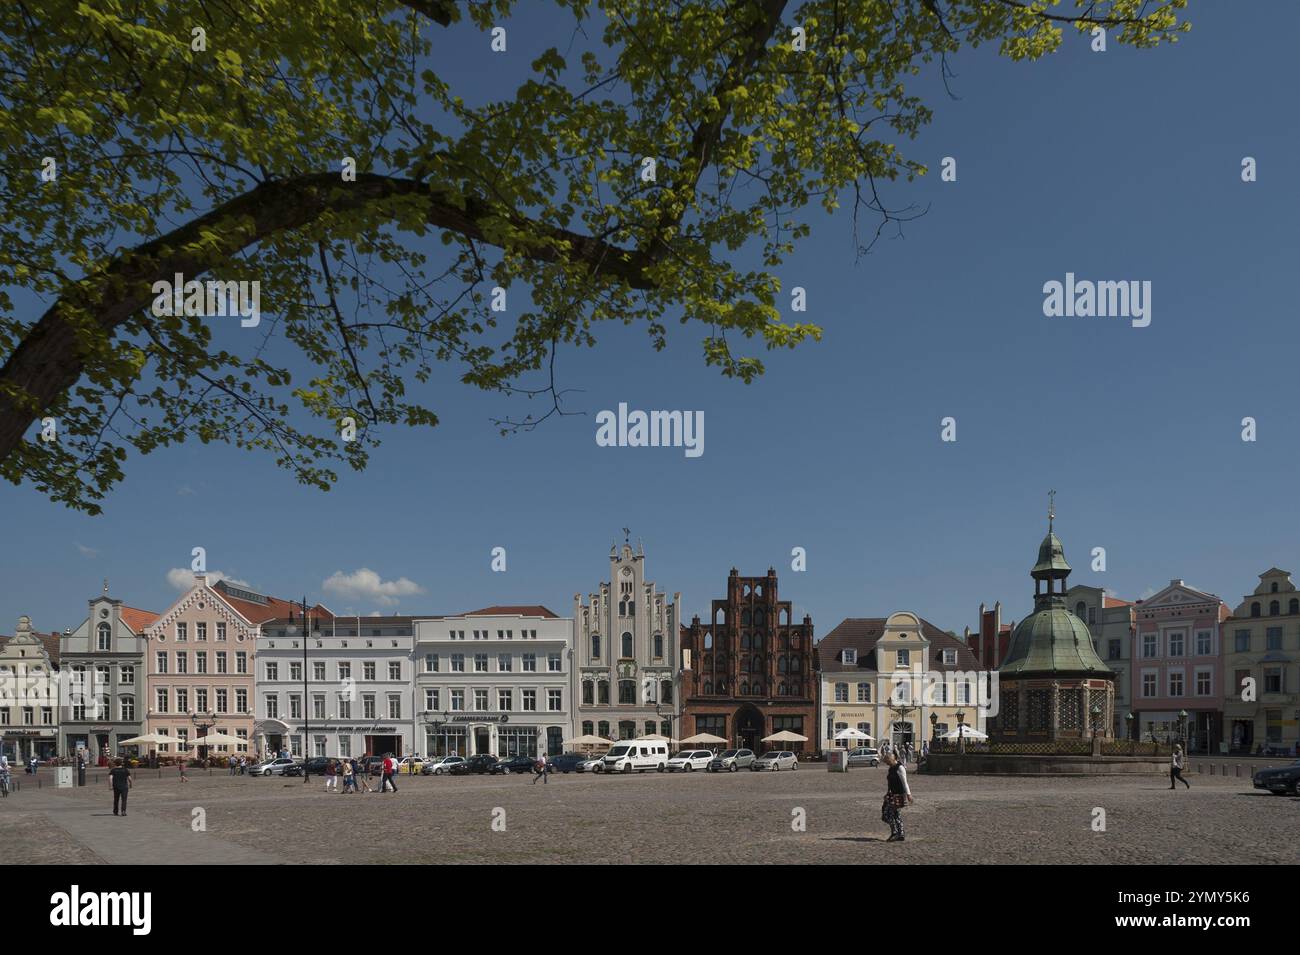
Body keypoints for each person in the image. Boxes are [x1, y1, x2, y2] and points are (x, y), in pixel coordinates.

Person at [880, 752, 913, 842]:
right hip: (891, 794)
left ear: (892, 759)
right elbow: (890, 783)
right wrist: (887, 793)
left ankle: (895, 833)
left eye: (887, 761)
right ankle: (900, 833)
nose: (886, 763)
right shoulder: (891, 768)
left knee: (888, 814)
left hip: (898, 795)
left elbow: (904, 782)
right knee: (894, 814)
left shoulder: (900, 768)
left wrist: (908, 794)